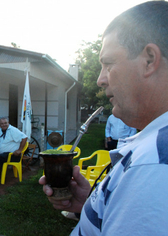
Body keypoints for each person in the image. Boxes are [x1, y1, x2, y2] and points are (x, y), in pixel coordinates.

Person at [40, 2, 168, 235]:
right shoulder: (153, 149)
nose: (100, 80)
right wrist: (89, 204)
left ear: (149, 60)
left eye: (108, 64)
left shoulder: (153, 166)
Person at [0, 117, 27, 182]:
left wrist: (20, 150)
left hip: (13, 155)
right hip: (4, 154)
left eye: (5, 123)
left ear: (8, 123)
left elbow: (24, 137)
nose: (4, 125)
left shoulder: (13, 130)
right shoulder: (0, 131)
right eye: (2, 123)